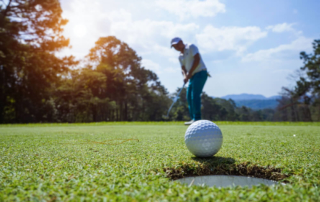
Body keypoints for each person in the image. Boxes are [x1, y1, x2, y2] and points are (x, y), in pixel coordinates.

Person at [171, 37, 208, 125]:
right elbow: (183, 68)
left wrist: (190, 73)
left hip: (200, 73)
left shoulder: (191, 47)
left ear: (181, 42)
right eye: (174, 46)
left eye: (177, 44)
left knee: (194, 96)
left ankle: (197, 119)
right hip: (192, 76)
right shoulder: (180, 56)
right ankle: (193, 119)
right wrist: (185, 76)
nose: (176, 47)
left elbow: (197, 59)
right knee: (189, 97)